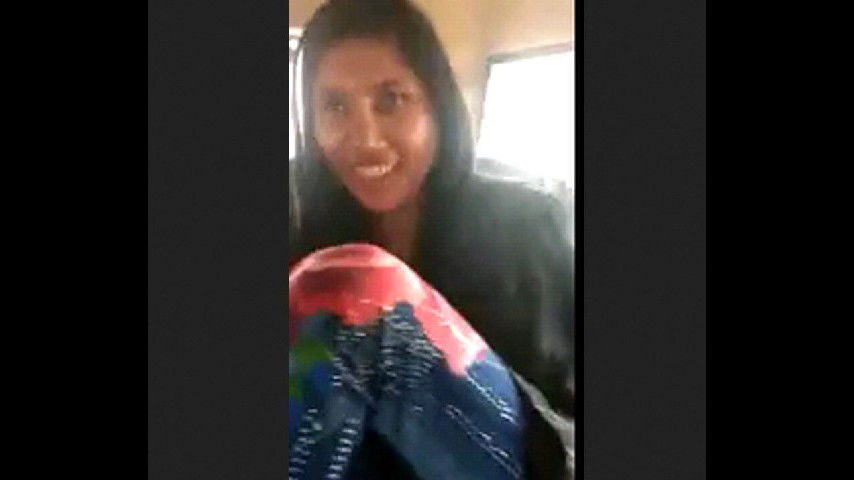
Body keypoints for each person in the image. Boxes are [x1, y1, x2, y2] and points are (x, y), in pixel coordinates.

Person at [289, 0, 575, 477]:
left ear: (437, 107)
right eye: (335, 106)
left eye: (390, 100)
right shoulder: (302, 225)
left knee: (358, 289)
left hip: (520, 461)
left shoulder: (528, 223)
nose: (366, 140)